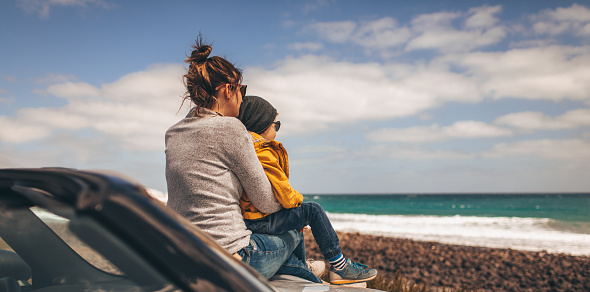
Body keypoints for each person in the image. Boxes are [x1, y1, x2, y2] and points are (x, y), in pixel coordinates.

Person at [165, 36, 322, 283]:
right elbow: (267, 203)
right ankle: (303, 274)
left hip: (182, 256)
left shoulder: (173, 133)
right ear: (229, 89)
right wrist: (291, 210)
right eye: (242, 90)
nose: (242, 97)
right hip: (230, 261)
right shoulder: (231, 128)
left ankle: (300, 269)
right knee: (294, 229)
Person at [237, 95, 378, 285]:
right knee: (312, 210)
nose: (277, 130)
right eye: (275, 125)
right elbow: (285, 194)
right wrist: (299, 204)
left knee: (298, 220)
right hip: (258, 219)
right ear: (262, 124)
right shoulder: (262, 151)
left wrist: (295, 215)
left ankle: (304, 268)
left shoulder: (247, 148)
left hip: (251, 219)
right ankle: (340, 267)